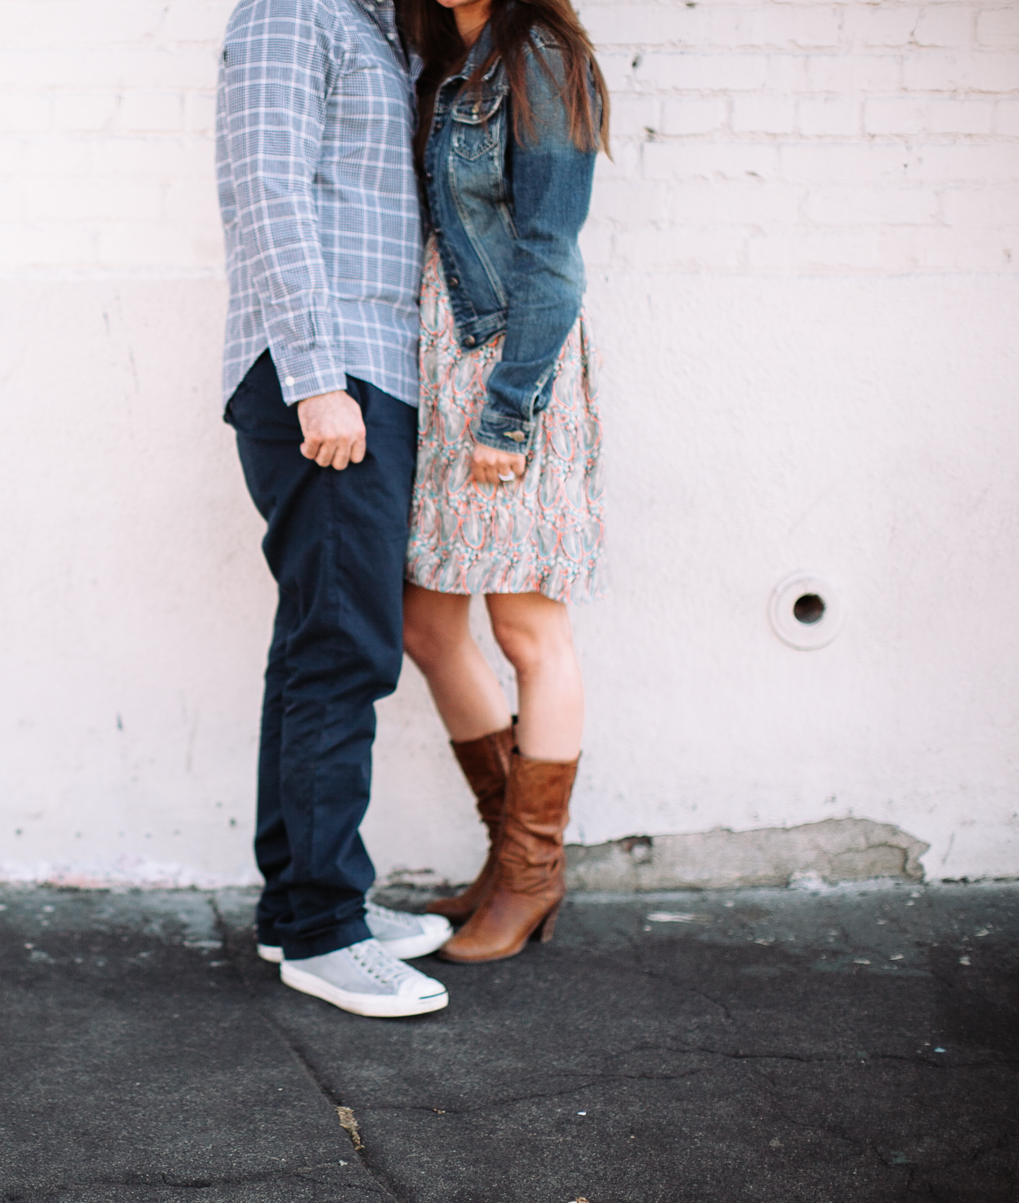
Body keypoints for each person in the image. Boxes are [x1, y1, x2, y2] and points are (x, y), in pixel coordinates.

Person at [215, 0, 452, 1019]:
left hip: (368, 371)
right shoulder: (291, 11)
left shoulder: (380, 25)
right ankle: (324, 931)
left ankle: (298, 908)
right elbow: (266, 191)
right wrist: (317, 378)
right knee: (345, 649)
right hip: (327, 374)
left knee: (316, 641)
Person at [395, 0, 609, 962]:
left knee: (528, 629)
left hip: (511, 371)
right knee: (428, 626)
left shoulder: (539, 56)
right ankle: (503, 853)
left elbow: (551, 255)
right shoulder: (450, 58)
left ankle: (530, 873)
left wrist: (509, 411)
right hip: (447, 368)